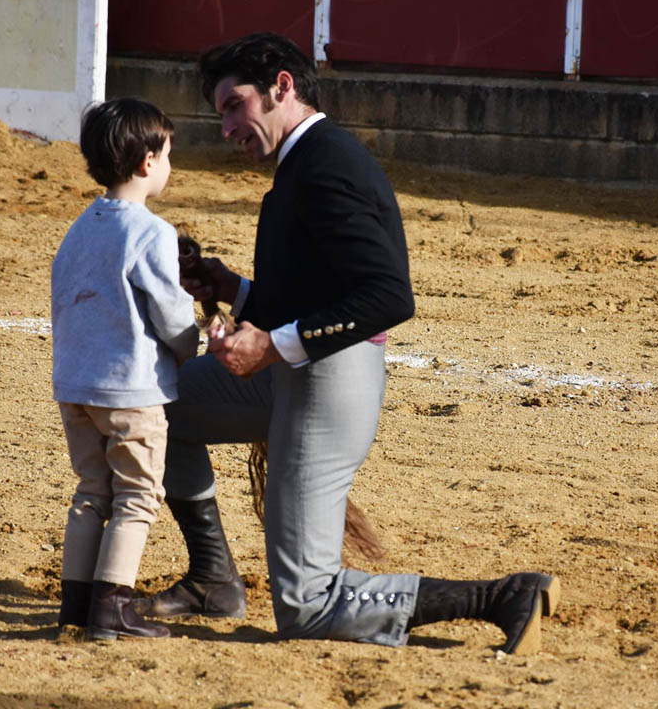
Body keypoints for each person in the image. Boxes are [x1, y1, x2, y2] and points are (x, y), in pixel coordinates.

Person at [134, 33, 561, 654]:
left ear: (282, 86)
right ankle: (212, 579)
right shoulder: (305, 164)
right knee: (158, 410)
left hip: (331, 381)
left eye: (233, 105)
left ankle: (499, 596)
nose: (225, 126)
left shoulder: (328, 163)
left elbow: (388, 296)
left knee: (306, 605)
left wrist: (274, 347)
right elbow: (310, 293)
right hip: (297, 369)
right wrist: (233, 288)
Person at [51, 98, 199, 640]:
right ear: (146, 163)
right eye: (167, 155)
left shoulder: (79, 227)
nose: (169, 166)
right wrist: (191, 348)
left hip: (75, 386)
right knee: (136, 498)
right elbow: (170, 312)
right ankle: (112, 608)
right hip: (130, 390)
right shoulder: (151, 231)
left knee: (92, 491)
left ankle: (77, 603)